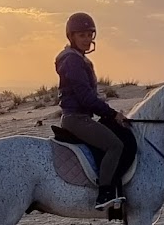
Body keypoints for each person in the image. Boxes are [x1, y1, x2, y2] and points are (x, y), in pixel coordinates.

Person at [55, 12, 130, 210]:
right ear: (71, 37)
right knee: (115, 146)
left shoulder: (78, 59)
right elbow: (86, 98)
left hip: (81, 117)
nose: (87, 40)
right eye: (82, 35)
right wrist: (112, 114)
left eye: (90, 35)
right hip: (76, 119)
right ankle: (104, 193)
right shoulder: (72, 61)